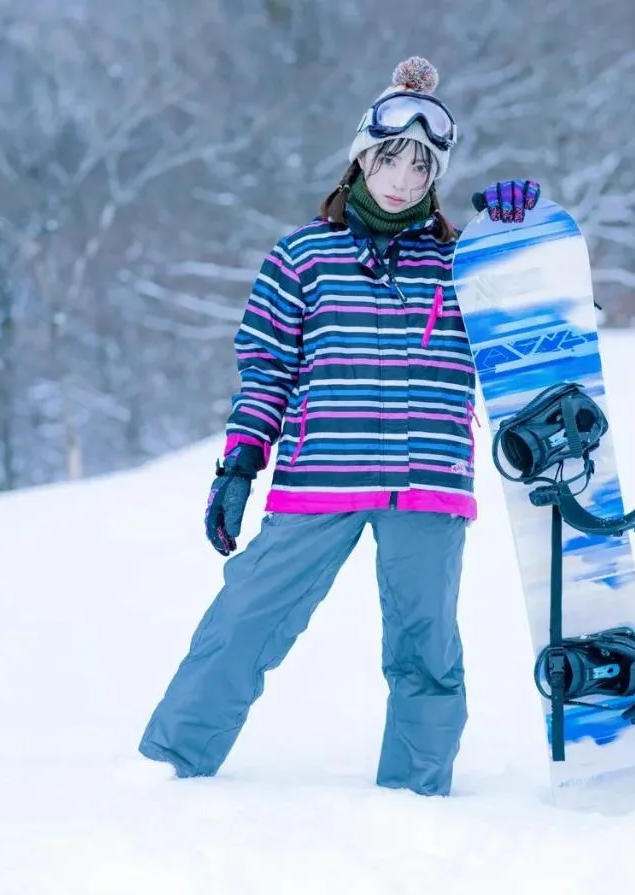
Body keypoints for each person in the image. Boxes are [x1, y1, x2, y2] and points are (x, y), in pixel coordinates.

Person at [138, 56, 540, 797]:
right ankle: (170, 769)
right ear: (362, 156)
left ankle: (417, 795)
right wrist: (237, 466)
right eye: (390, 158)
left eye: (421, 167)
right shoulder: (302, 257)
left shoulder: (464, 262)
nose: (403, 178)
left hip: (427, 483)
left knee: (426, 650)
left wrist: (520, 235)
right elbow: (265, 371)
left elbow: (532, 325)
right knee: (245, 620)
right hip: (320, 475)